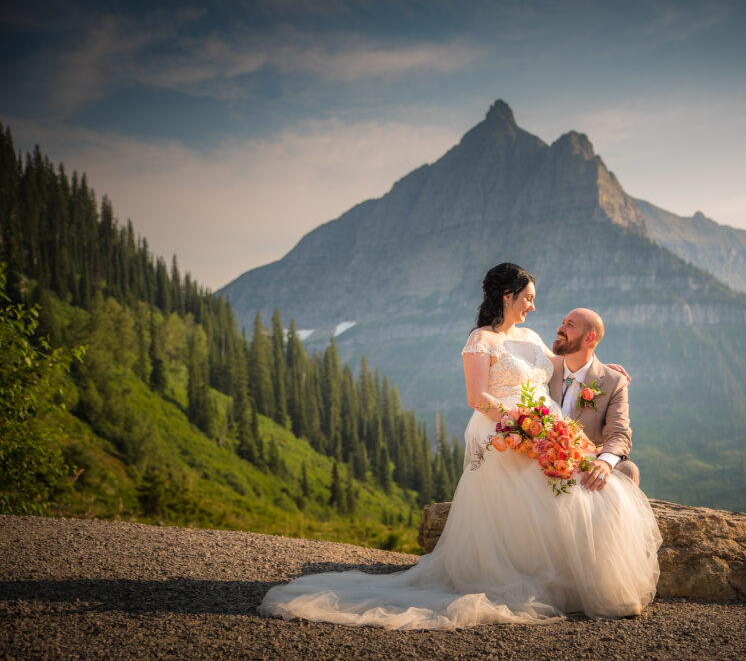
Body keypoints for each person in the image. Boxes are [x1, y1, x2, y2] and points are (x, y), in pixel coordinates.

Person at [258, 263, 661, 629]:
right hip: (504, 434)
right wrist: (522, 428)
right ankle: (531, 580)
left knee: (586, 490)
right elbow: (476, 397)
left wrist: (607, 370)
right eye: (528, 299)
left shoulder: (533, 337)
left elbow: (563, 364)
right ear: (508, 297)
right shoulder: (480, 339)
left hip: (544, 431)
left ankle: (578, 579)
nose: (533, 308)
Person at [548, 307, 641, 489]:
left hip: (586, 461)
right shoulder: (544, 368)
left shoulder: (614, 381)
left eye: (569, 325)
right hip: (542, 457)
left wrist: (604, 462)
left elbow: (619, 433)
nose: (560, 329)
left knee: (629, 469)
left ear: (589, 338)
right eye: (562, 322)